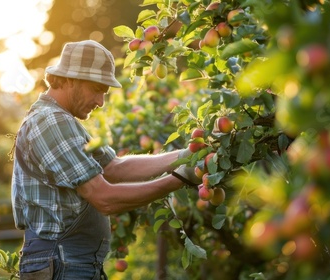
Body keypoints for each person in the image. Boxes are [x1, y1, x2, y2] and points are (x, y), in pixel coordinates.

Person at [10, 40, 199, 280]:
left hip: (70, 262)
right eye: (96, 89)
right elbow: (104, 198)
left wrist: (187, 155)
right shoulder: (51, 121)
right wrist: (179, 179)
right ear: (70, 80)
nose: (101, 102)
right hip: (62, 262)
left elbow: (114, 167)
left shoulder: (63, 121)